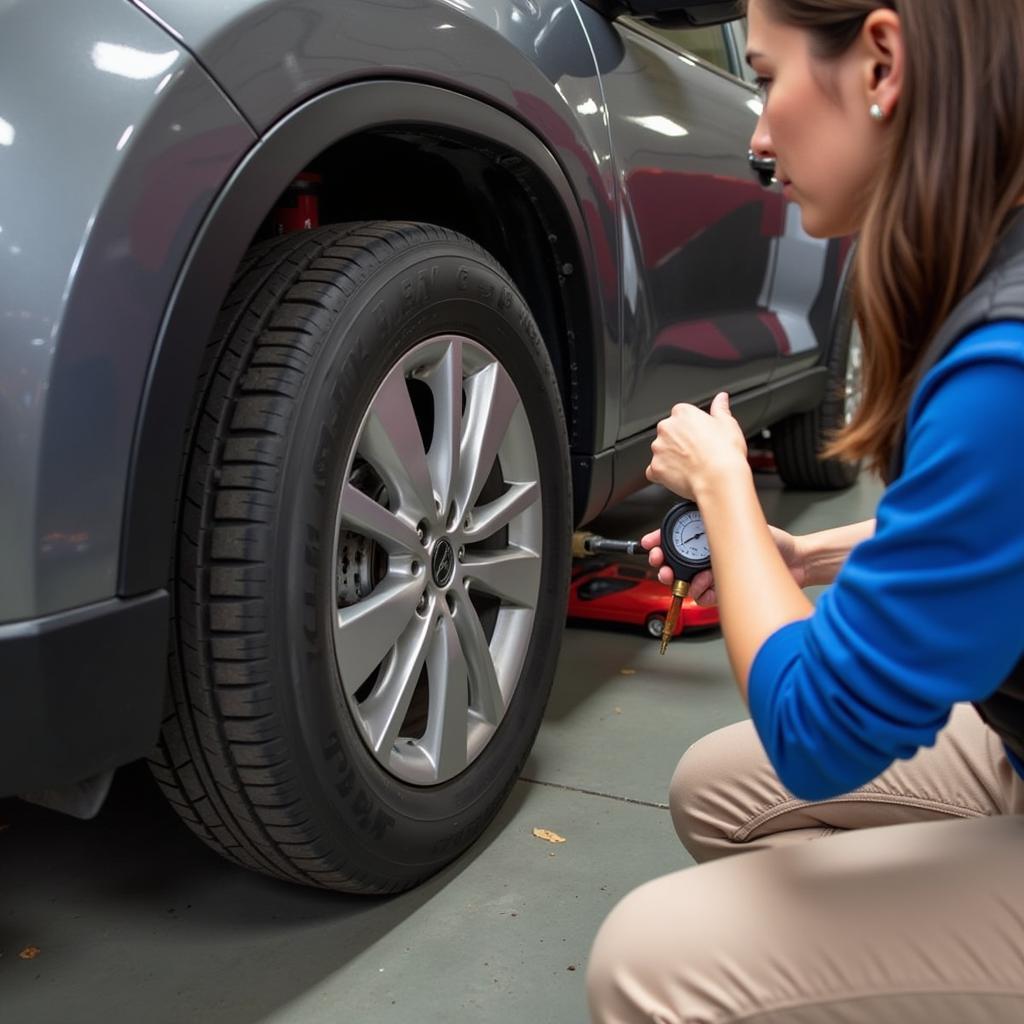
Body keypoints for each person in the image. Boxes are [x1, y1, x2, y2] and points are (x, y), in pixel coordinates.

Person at [585, 1, 1024, 1021]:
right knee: (716, 789)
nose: (755, 133)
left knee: (650, 961)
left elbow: (817, 731)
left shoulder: (1006, 361)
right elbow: (994, 529)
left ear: (880, 62)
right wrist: (802, 553)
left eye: (769, 73)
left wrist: (727, 489)